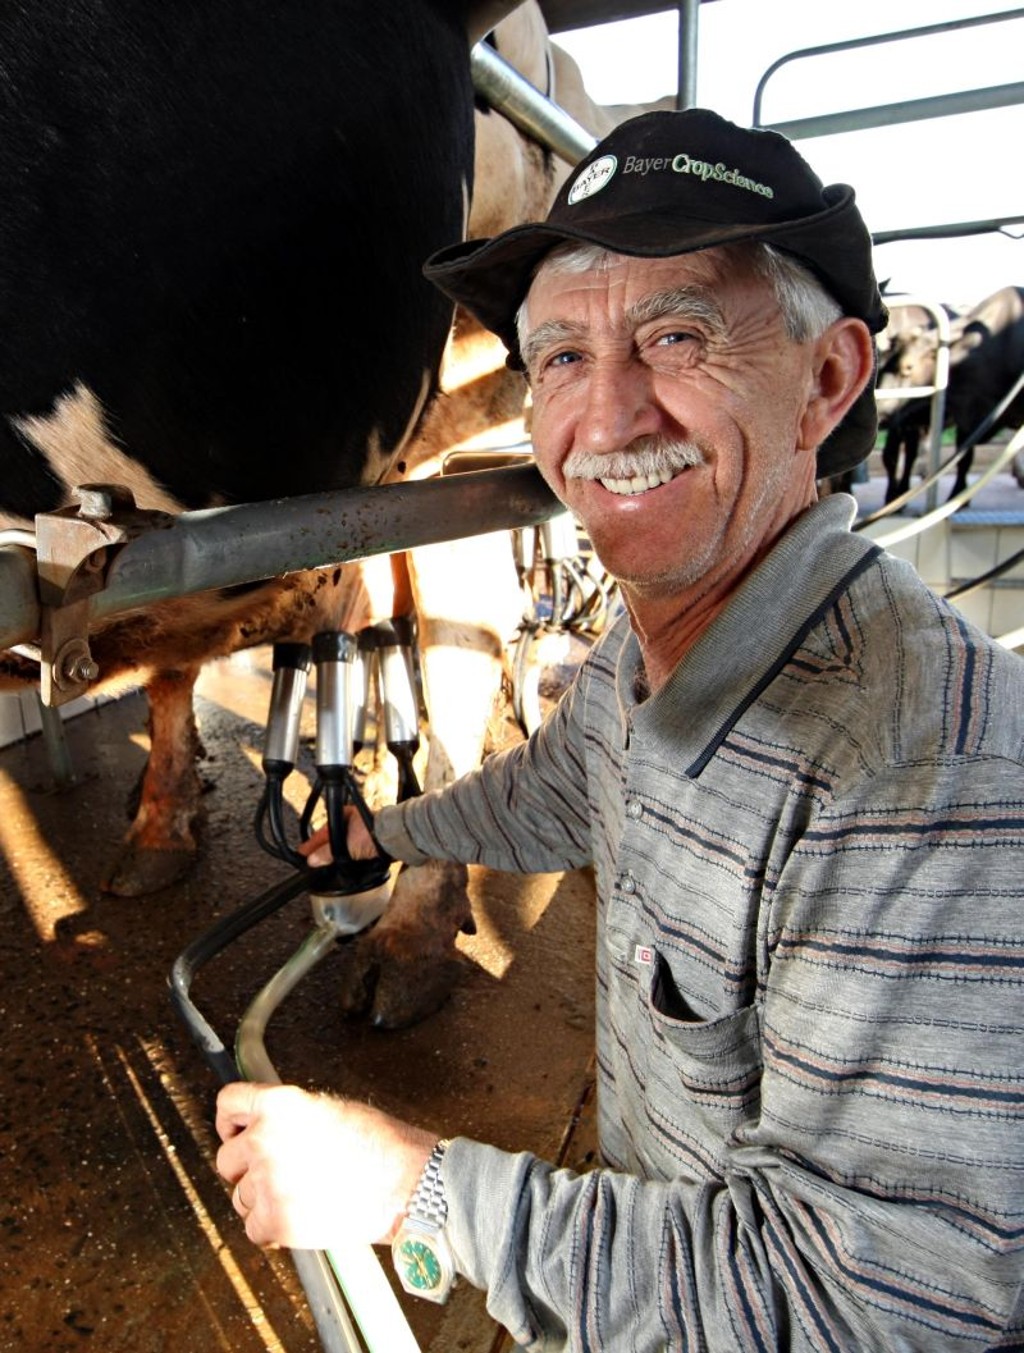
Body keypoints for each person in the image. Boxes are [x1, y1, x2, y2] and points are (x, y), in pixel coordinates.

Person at [215, 110, 1024, 1350]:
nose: (607, 420)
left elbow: (873, 1304)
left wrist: (413, 1190)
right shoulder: (645, 654)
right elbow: (557, 788)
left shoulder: (921, 779)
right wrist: (380, 830)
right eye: (557, 360)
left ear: (828, 380)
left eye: (678, 336)